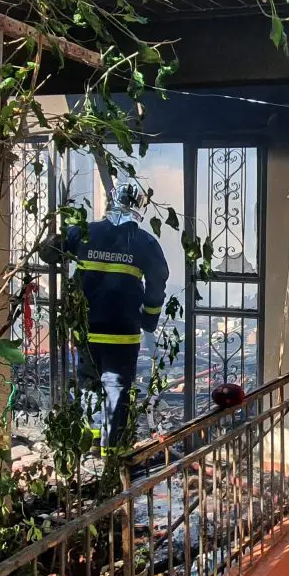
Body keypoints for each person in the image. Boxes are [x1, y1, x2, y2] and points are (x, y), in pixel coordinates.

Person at [41, 180, 169, 456]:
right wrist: (149, 320)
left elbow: (49, 253)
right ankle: (112, 455)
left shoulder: (85, 232)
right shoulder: (145, 242)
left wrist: (55, 231)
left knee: (88, 386)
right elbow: (157, 284)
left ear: (111, 201)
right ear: (139, 208)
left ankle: (89, 442)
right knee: (116, 391)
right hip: (122, 334)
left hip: (86, 330)